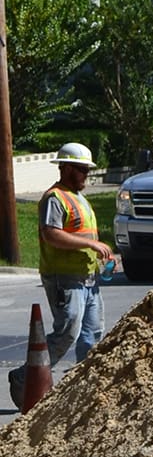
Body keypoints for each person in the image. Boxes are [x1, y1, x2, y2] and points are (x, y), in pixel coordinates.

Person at [7, 143, 115, 408]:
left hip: (88, 278)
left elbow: (83, 234)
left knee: (92, 334)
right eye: (81, 170)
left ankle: (86, 390)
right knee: (68, 331)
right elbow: (51, 233)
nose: (86, 175)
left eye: (87, 170)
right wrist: (90, 245)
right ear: (65, 168)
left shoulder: (79, 198)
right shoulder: (56, 198)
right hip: (64, 278)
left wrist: (102, 252)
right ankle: (25, 378)